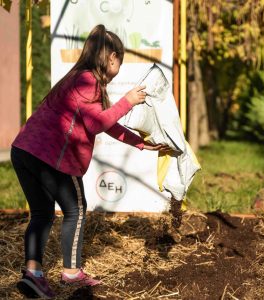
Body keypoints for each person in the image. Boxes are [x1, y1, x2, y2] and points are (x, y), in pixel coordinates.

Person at [11, 24, 172, 299]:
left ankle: (33, 274)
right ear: (111, 58)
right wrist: (128, 101)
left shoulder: (77, 78)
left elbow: (103, 123)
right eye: (119, 60)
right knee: (76, 209)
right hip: (52, 157)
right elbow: (98, 123)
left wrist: (140, 143)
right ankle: (72, 272)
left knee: (42, 214)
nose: (119, 66)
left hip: (24, 150)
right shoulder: (88, 81)